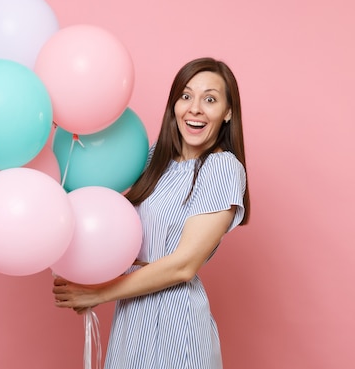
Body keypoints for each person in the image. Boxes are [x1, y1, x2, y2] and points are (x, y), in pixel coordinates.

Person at [53, 57, 250, 369]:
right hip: (131, 317)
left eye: (209, 99)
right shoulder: (154, 160)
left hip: (176, 322)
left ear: (227, 112)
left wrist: (97, 294)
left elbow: (183, 265)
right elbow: (109, 215)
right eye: (185, 96)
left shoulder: (222, 168)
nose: (195, 108)